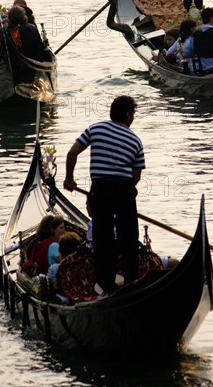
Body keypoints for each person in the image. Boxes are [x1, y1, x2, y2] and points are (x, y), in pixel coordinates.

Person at [63, 95, 145, 297]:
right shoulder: (135, 140)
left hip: (100, 189)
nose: (132, 118)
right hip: (125, 190)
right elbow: (136, 176)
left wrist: (69, 180)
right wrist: (123, 189)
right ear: (127, 114)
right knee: (128, 237)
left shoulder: (95, 129)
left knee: (103, 237)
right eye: (132, 114)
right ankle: (131, 280)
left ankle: (106, 285)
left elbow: (72, 153)